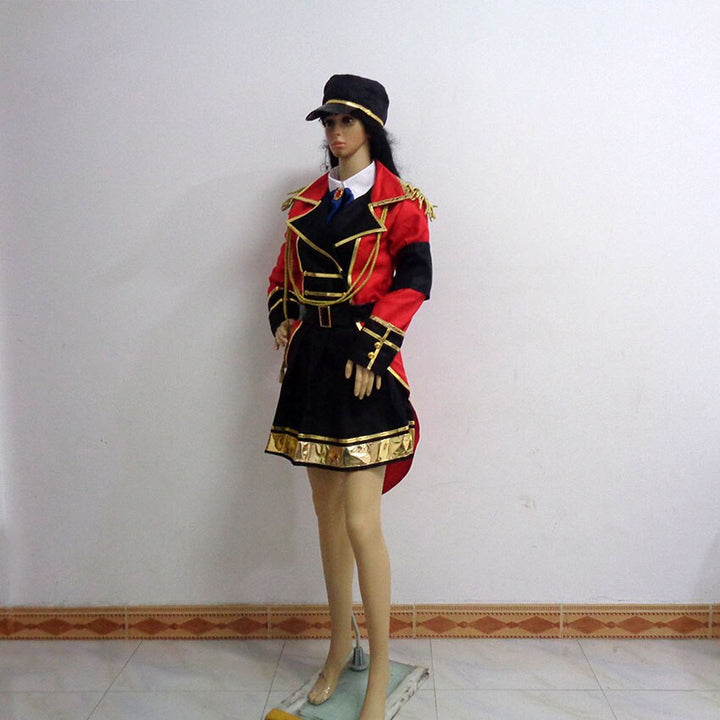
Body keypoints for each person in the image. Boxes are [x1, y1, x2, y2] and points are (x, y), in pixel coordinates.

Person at [265, 74, 433, 720]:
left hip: (365, 363)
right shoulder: (306, 204)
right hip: (312, 363)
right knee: (327, 518)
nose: (335, 133)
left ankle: (381, 663)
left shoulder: (400, 206)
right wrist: (284, 317)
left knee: (362, 522)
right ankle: (340, 646)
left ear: (371, 129)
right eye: (329, 122)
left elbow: (415, 280)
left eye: (347, 122)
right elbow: (282, 274)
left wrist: (374, 349)